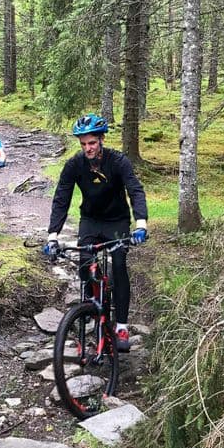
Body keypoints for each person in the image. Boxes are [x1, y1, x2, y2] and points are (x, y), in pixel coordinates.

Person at [43, 113, 148, 352]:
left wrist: (140, 223)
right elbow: (62, 198)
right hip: (90, 220)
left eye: (92, 143)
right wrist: (53, 236)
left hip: (117, 221)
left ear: (101, 139)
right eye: (83, 144)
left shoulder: (118, 161)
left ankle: (121, 324)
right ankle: (93, 306)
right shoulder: (74, 165)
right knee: (84, 262)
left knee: (119, 264)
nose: (88, 148)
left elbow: (135, 190)